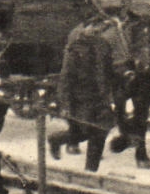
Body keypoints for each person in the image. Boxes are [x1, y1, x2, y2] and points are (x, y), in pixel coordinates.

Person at [49, 21, 117, 172]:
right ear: (85, 27)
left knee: (100, 131)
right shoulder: (75, 48)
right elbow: (66, 78)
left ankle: (90, 170)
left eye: (99, 27)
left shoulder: (103, 45)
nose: (96, 29)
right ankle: (56, 139)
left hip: (100, 97)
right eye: (93, 26)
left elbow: (109, 69)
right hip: (80, 99)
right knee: (82, 133)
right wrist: (65, 106)